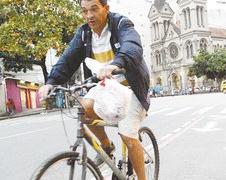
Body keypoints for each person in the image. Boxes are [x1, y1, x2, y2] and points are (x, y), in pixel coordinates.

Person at [38, 0, 150, 179]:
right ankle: (107, 147)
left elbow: (132, 46)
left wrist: (115, 64)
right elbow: (67, 60)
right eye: (84, 11)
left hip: (132, 89)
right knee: (83, 109)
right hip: (107, 88)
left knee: (128, 134)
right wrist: (51, 82)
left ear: (106, 9)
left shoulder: (121, 24)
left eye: (94, 9)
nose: (89, 15)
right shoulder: (84, 34)